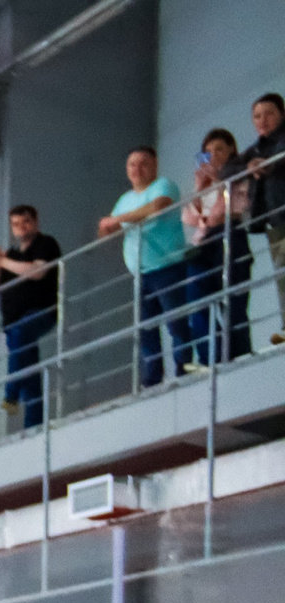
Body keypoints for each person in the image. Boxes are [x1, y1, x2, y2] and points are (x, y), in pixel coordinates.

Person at [99, 146, 188, 386]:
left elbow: (157, 206)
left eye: (143, 163)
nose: (137, 169)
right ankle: (152, 376)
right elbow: (107, 230)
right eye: (132, 164)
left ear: (155, 165)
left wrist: (117, 220)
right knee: (145, 328)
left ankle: (184, 366)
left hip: (167, 266)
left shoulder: (163, 185)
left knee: (176, 321)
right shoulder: (125, 200)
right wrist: (106, 227)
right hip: (141, 273)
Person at [0, 204, 61, 431]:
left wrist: (2, 261)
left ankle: (11, 394)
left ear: (35, 221)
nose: (21, 227)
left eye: (26, 222)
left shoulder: (46, 244)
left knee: (21, 336)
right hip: (12, 320)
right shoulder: (12, 255)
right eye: (16, 224)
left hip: (39, 312)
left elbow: (37, 271)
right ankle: (33, 425)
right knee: (29, 370)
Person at [180, 129, 252, 367]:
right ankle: (209, 356)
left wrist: (221, 182)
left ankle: (239, 354)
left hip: (231, 237)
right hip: (203, 243)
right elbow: (188, 217)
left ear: (231, 150)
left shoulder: (239, 175)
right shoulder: (204, 182)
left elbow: (235, 209)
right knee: (197, 298)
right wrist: (200, 188)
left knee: (233, 300)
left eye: (219, 149)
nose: (214, 155)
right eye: (208, 151)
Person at [242, 93, 284, 348]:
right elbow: (230, 168)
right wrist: (250, 166)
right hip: (275, 220)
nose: (263, 120)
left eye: (269, 114)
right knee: (281, 272)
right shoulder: (257, 148)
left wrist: (266, 165)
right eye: (257, 116)